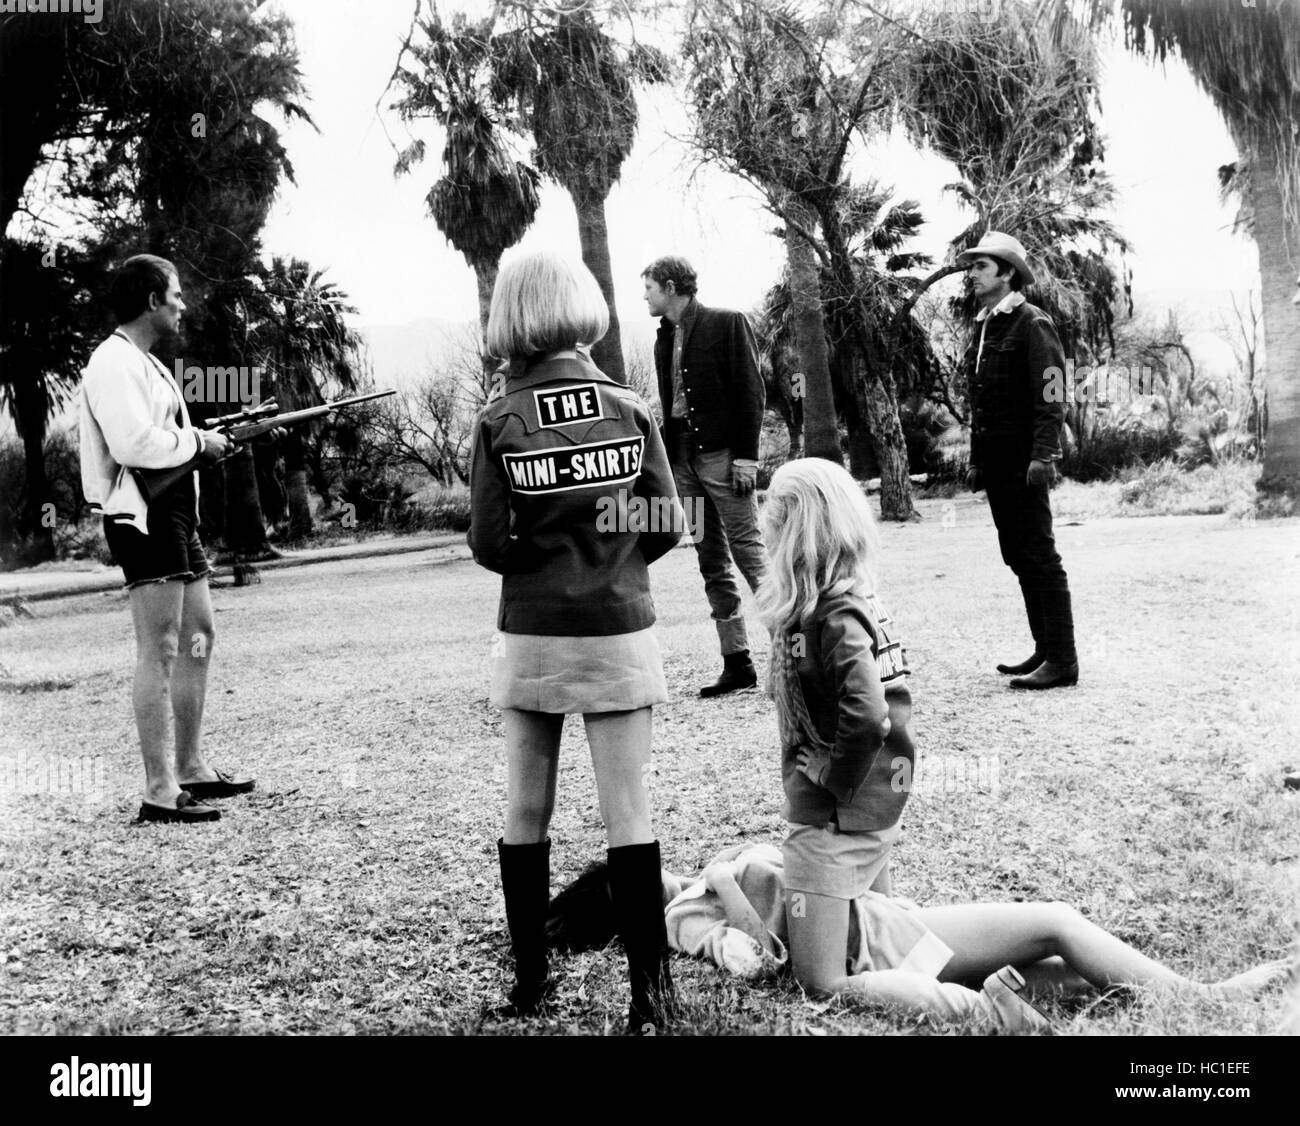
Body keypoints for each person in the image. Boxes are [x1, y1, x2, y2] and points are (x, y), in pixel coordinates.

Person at [469, 250, 683, 1033]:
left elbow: (490, 542)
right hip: (621, 625)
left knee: (527, 806)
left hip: (531, 630)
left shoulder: (499, 418)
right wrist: (611, 558)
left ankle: (531, 987)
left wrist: (546, 561)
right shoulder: (628, 407)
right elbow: (667, 520)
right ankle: (650, 1002)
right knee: (629, 808)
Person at [545, 842, 1293, 1032]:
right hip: (878, 942)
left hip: (883, 928)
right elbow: (747, 960)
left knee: (1056, 961)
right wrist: (731, 891)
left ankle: (1135, 993)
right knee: (1053, 919)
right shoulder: (687, 916)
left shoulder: (694, 895)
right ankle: (1206, 995)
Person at [79, 254, 255, 825]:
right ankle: (158, 789)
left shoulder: (145, 362)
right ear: (152, 299)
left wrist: (204, 441)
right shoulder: (111, 362)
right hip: (143, 518)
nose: (182, 304)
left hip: (176, 513)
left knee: (200, 633)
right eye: (175, 294)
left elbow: (163, 439)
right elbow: (133, 445)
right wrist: (199, 444)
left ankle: (191, 766)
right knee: (160, 648)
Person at [958, 231, 1079, 690]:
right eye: (972, 267)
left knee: (1040, 556)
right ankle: (1044, 650)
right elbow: (980, 400)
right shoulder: (988, 325)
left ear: (1007, 272)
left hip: (1026, 463)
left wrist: (1045, 453)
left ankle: (1064, 661)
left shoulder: (1032, 323)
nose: (971, 274)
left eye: (981, 267)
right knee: (1019, 556)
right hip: (998, 464)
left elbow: (1052, 393)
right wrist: (975, 460)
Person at [643, 256, 767, 697]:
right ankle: (738, 663)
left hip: (723, 458)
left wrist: (747, 459)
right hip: (684, 461)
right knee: (710, 562)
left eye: (650, 288)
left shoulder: (727, 322)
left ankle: (800, 659)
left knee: (751, 555)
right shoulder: (663, 339)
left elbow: (751, 391)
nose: (646, 296)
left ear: (671, 287)